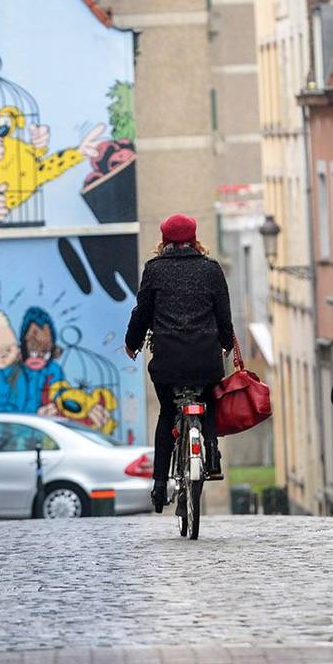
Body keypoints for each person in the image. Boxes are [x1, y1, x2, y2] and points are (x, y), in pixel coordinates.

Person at [125, 213, 235, 512]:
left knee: (165, 414)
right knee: (209, 402)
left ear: (163, 241)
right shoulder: (210, 269)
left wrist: (132, 343)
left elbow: (142, 313)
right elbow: (224, 314)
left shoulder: (154, 270)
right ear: (195, 238)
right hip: (205, 358)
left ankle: (160, 485)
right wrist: (226, 343)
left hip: (168, 361)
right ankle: (211, 456)